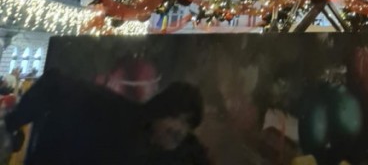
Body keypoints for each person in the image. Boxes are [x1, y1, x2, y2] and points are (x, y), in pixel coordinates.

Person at [2, 67, 213, 164]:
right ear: (160, 110)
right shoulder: (115, 113)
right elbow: (55, 83)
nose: (179, 129)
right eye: (176, 117)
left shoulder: (179, 153)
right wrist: (12, 123)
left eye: (188, 124)